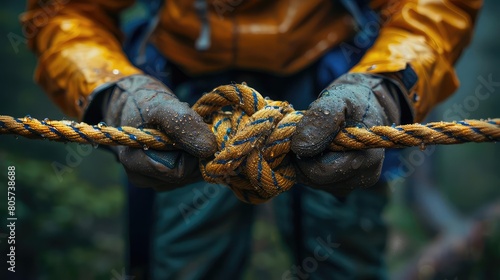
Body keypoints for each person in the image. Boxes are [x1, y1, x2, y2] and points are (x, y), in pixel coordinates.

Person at [21, 0, 482, 279]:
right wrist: (115, 91)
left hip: (334, 75)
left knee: (344, 253)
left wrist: (388, 85)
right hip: (179, 88)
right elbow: (64, 12)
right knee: (179, 260)